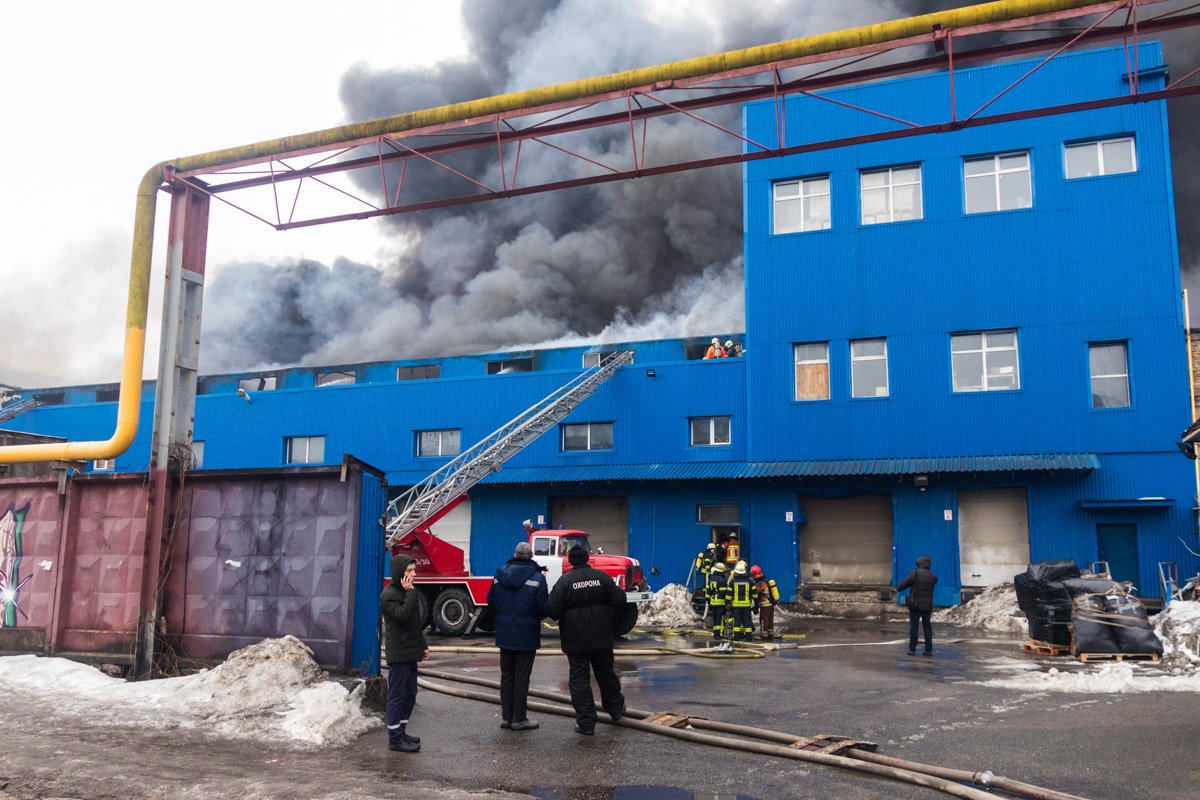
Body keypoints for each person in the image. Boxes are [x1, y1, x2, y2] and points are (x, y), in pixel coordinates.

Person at [545, 545, 627, 735]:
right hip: (601, 637)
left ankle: (586, 723)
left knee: (579, 680)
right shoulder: (602, 577)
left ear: (571, 561)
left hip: (576, 641)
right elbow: (620, 599)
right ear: (587, 559)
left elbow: (552, 610)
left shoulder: (564, 582)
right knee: (606, 674)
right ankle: (616, 710)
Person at [487, 541, 549, 731]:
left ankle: (506, 718)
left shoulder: (500, 574)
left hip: (505, 633)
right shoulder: (538, 578)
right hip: (527, 635)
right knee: (521, 678)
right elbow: (542, 608)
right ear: (531, 557)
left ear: (514, 554)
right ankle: (519, 719)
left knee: (507, 676)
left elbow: (491, 602)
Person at [379, 553, 429, 752]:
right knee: (397, 695)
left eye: (414, 570)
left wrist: (423, 646)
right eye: (409, 571)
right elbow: (403, 615)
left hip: (410, 652)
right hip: (399, 653)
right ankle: (394, 739)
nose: (413, 574)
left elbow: (415, 622)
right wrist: (410, 593)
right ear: (400, 572)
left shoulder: (407, 592)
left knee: (410, 693)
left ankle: (401, 731)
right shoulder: (389, 594)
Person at [897, 555, 938, 656]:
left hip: (916, 605)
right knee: (927, 627)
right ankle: (928, 650)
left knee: (914, 627)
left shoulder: (915, 573)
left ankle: (912, 649)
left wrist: (898, 588)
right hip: (927, 606)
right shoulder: (933, 577)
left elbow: (905, 583)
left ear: (920, 564)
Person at [750, 565, 779, 640]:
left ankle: (764, 635)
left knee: (764, 620)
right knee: (769, 620)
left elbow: (755, 592)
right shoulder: (765, 579)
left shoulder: (760, 583)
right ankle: (770, 634)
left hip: (765, 605)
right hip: (770, 604)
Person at [728, 561, 755, 641]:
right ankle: (748, 638)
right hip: (746, 605)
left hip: (736, 606)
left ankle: (736, 638)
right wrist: (756, 604)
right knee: (747, 621)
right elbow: (754, 594)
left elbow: (729, 594)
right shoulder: (749, 581)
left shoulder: (732, 581)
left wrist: (727, 603)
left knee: (737, 622)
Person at [705, 562, 730, 638]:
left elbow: (708, 590)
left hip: (713, 601)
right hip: (720, 602)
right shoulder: (722, 579)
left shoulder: (712, 578)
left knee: (715, 618)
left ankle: (715, 633)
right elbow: (723, 592)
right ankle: (719, 634)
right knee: (720, 618)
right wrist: (727, 601)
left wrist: (708, 599)